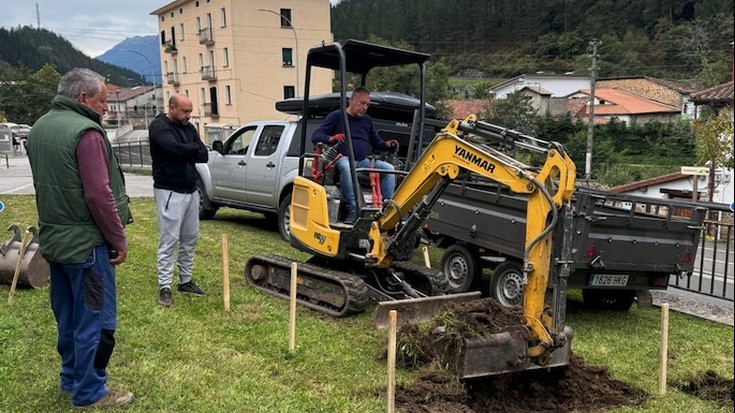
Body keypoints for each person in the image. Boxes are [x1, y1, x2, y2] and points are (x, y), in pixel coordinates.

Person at [27, 68, 134, 408]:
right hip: (87, 245)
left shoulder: (41, 126)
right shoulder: (86, 133)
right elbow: (98, 195)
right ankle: (90, 391)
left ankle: (70, 377)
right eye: (103, 101)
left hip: (55, 241)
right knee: (95, 319)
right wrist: (118, 238)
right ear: (83, 98)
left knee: (68, 314)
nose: (107, 108)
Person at [148, 93, 209, 307]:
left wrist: (188, 150)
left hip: (191, 190)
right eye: (184, 111)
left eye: (190, 111)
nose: (188, 116)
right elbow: (172, 149)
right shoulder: (159, 126)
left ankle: (185, 280)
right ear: (171, 107)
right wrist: (191, 150)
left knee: (190, 238)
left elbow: (204, 155)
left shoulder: (189, 128)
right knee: (169, 240)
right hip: (169, 191)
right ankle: (165, 286)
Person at [311, 86, 398, 223]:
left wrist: (386, 144)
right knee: (346, 166)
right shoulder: (337, 117)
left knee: (389, 168)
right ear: (351, 100)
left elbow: (376, 142)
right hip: (342, 158)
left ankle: (387, 208)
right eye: (362, 103)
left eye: (367, 104)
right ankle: (352, 208)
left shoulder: (367, 121)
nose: (365, 107)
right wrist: (332, 138)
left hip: (363, 161)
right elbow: (316, 136)